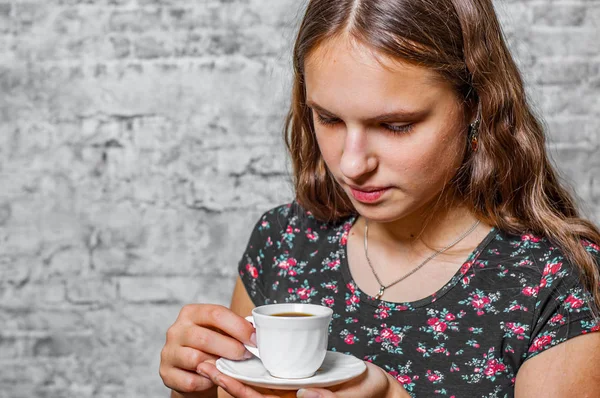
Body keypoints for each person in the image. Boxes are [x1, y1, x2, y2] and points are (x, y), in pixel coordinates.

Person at [159, 0, 600, 397]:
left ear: (475, 106)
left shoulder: (556, 282)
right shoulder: (285, 241)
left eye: (395, 125)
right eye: (329, 119)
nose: (352, 165)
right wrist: (196, 386)